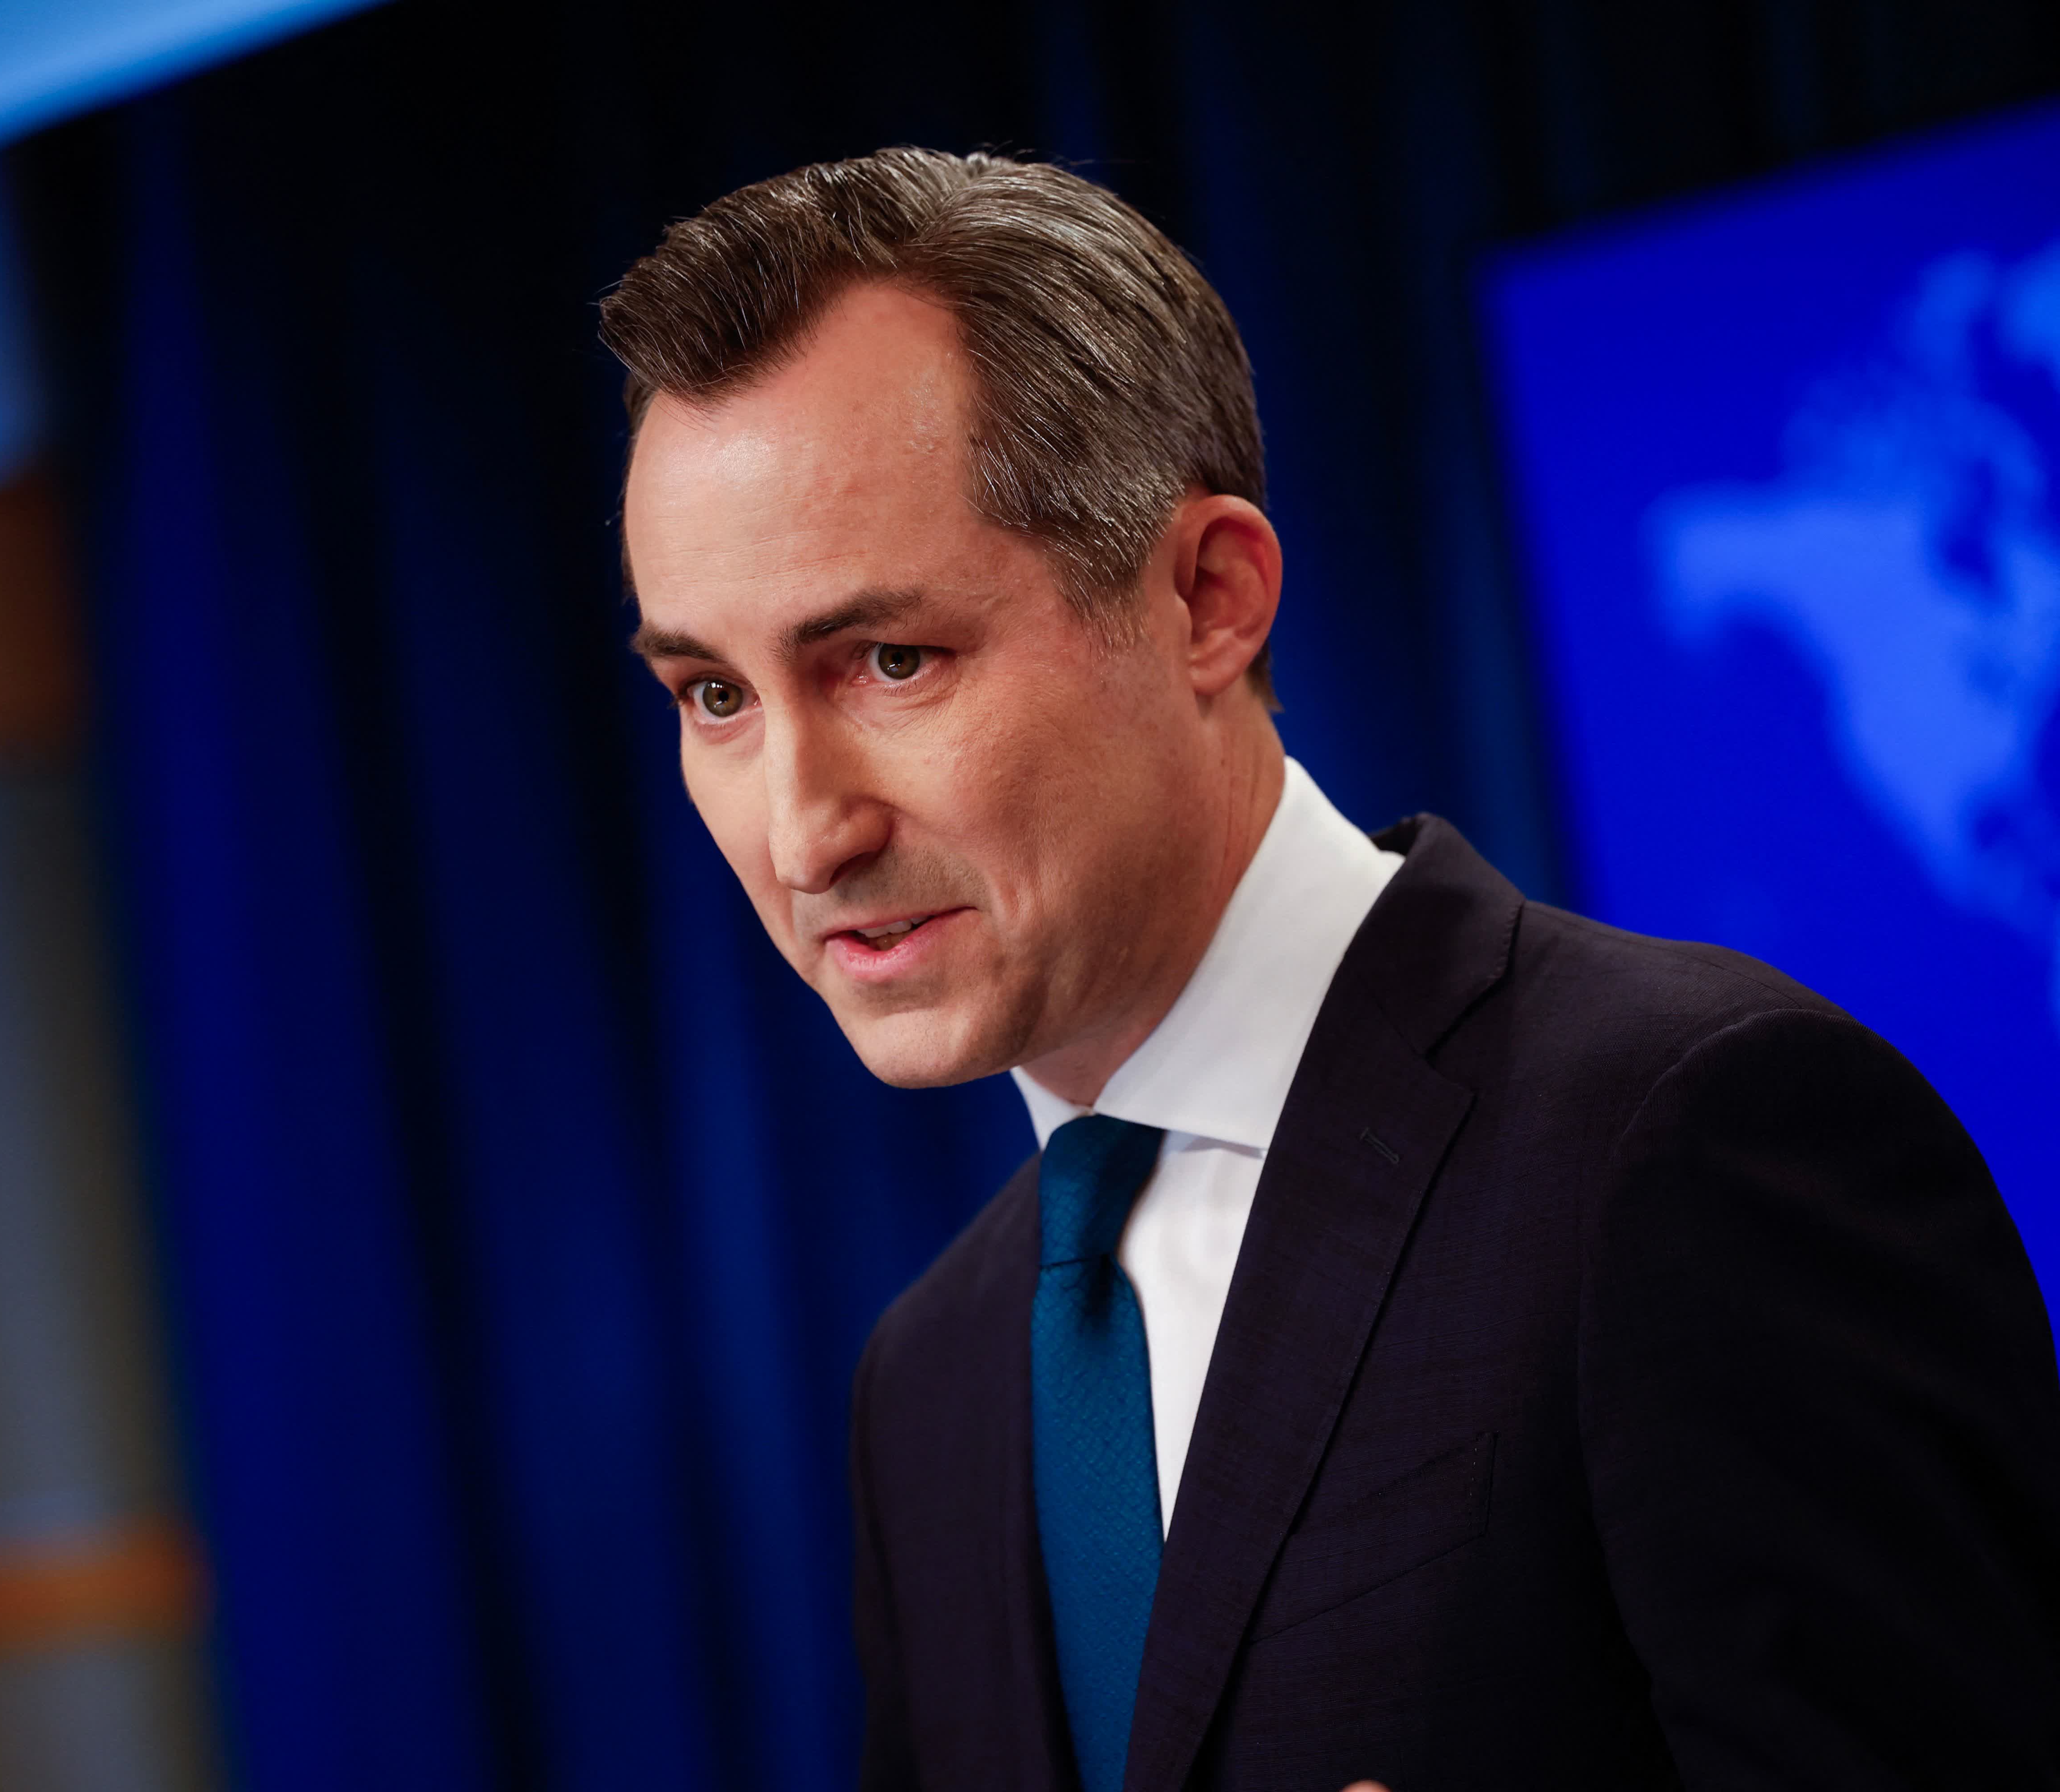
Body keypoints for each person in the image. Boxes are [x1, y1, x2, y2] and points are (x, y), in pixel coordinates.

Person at [600, 149, 2060, 1792]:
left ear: (1208, 598)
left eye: (890, 660)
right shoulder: (929, 1384)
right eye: (713, 698)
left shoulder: (1689, 1140)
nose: (803, 834)